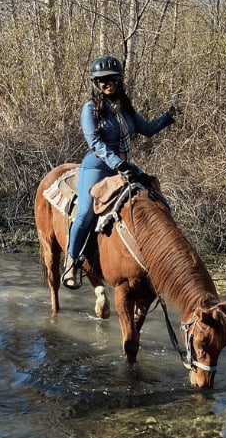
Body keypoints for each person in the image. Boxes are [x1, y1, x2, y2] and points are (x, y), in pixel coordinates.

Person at [63, 55, 179, 289]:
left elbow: (146, 129)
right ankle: (72, 262)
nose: (108, 84)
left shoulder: (125, 109)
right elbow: (94, 142)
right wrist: (117, 163)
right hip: (97, 166)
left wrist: (168, 117)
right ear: (96, 83)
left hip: (123, 165)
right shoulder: (90, 109)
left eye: (112, 79)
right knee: (86, 213)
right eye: (102, 80)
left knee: (158, 198)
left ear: (119, 80)